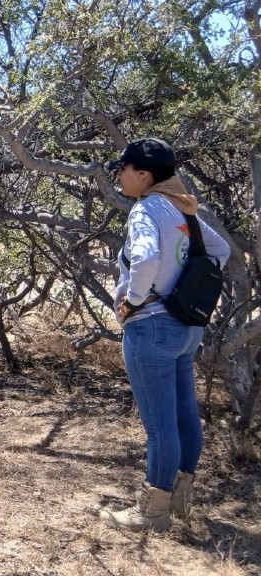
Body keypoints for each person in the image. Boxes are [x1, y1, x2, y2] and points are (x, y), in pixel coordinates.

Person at [100, 138, 230, 532]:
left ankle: (152, 512)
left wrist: (134, 300)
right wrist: (180, 287)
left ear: (143, 174)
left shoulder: (146, 209)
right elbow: (220, 250)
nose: (119, 176)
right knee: (184, 415)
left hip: (152, 326)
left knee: (159, 425)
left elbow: (146, 257)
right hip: (186, 327)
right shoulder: (181, 207)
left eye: (123, 169)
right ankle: (179, 501)